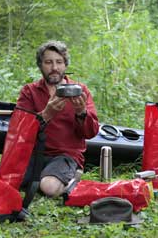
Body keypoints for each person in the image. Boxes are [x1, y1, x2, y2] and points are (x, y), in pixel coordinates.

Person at [17, 40, 99, 197]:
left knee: (48, 187)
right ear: (40, 65)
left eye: (59, 62)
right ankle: (42, 176)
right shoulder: (29, 92)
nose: (54, 68)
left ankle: (71, 175)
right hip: (32, 154)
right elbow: (20, 131)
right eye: (48, 62)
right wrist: (47, 113)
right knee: (2, 178)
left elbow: (91, 132)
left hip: (65, 155)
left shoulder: (80, 91)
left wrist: (81, 112)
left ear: (65, 65)